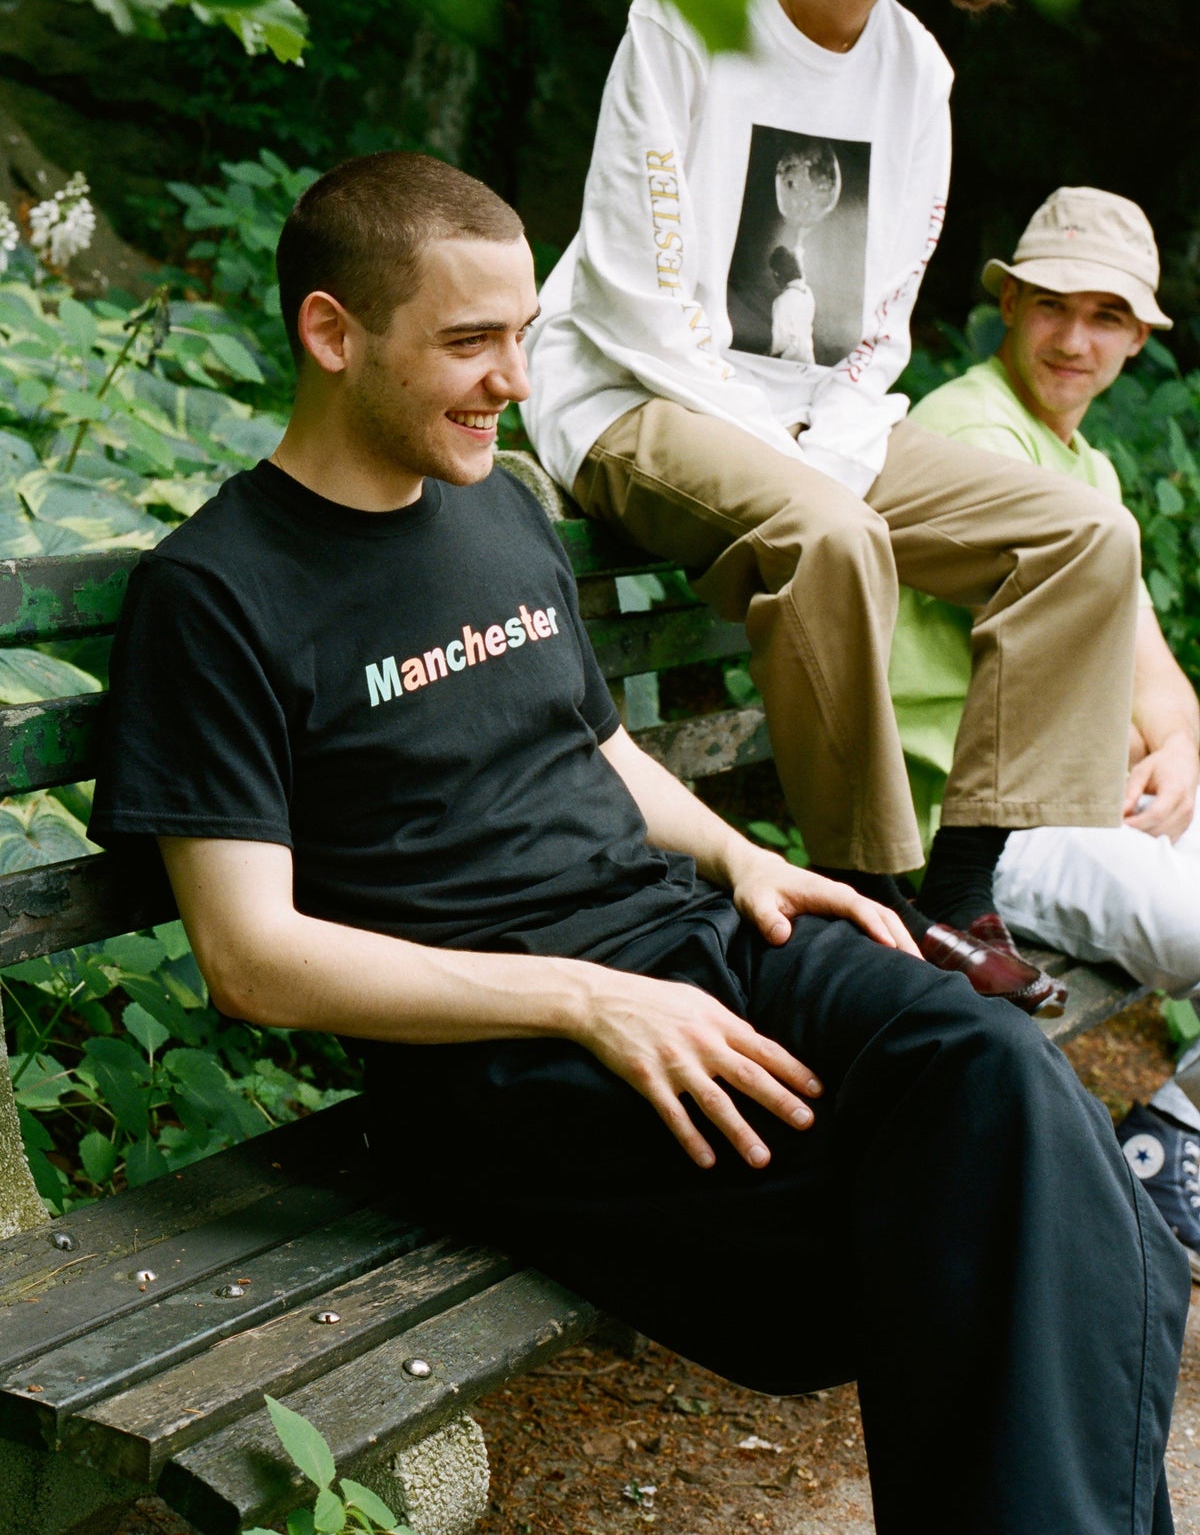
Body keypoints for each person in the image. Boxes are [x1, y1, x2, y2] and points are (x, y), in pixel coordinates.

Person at [89, 151, 1189, 1535]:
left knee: (1005, 1079)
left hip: (693, 943)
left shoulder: (498, 506)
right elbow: (250, 959)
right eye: (471, 341)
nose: (514, 379)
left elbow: (594, 744)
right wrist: (586, 999)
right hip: (510, 1060)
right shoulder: (216, 593)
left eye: (525, 335)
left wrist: (744, 858)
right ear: (331, 331)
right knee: (1030, 1219)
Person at [520, 0, 1146, 1016]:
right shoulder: (692, 7)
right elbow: (634, 293)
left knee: (1085, 537)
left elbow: (882, 323)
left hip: (818, 428)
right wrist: (794, 460)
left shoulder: (917, 73)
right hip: (635, 394)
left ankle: (963, 894)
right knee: (834, 530)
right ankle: (875, 897)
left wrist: (827, 443)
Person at [886, 184, 1200, 1270]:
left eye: (1106, 317)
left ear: (1139, 338)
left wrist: (1178, 750)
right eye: (1054, 306)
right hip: (978, 832)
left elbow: (1158, 685)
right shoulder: (968, 435)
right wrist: (1141, 745)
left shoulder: (1085, 466)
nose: (1075, 340)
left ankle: (1174, 1139)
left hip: (1072, 798)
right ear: (1010, 303)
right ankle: (1172, 1146)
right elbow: (1075, 684)